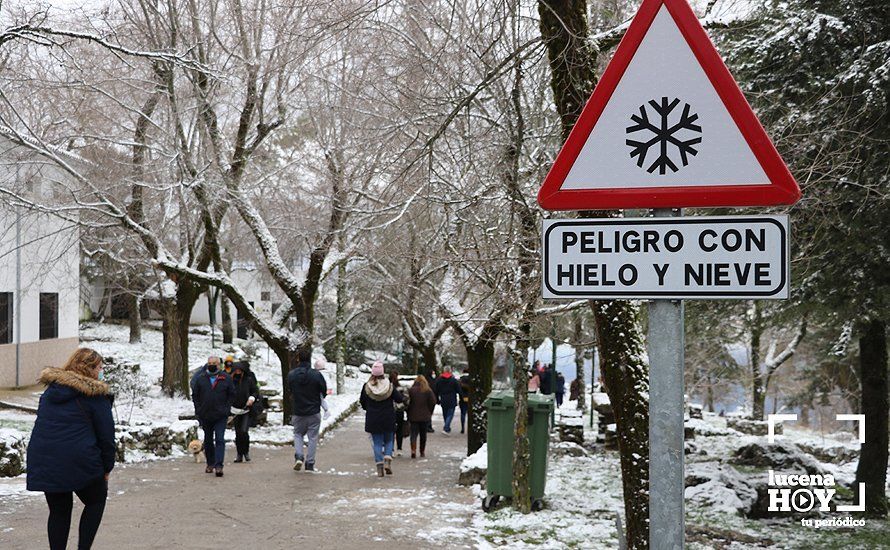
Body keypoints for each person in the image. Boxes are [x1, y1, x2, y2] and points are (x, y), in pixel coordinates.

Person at [27, 348, 115, 550]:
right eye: (100, 367)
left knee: (59, 511)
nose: (102, 371)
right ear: (90, 369)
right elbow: (106, 437)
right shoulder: (95, 396)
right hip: (79, 460)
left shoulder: (51, 392)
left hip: (45, 459)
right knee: (96, 500)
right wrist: (106, 468)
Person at [192, 355, 234, 477]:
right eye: (209, 362)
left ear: (219, 364)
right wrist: (199, 410)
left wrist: (226, 409)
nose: (211, 365)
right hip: (206, 415)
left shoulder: (225, 378)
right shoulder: (201, 378)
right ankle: (210, 463)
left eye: (214, 363)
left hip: (220, 415)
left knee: (220, 439)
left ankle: (219, 465)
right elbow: (195, 396)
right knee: (208, 440)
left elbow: (231, 394)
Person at [360, 362, 404, 476]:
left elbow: (362, 403)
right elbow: (399, 399)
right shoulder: (389, 386)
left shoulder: (367, 386)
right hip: (388, 417)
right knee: (389, 440)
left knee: (377, 442)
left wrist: (369, 408)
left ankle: (379, 466)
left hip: (373, 418)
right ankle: (388, 459)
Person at [287, 348, 327, 472]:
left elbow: (290, 389)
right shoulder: (316, 375)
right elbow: (323, 391)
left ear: (298, 358)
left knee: (298, 434)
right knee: (313, 438)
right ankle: (310, 463)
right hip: (313, 411)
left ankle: (299, 456)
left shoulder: (292, 375)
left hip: (298, 410)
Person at [230, 361, 260, 463]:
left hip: (246, 409)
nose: (238, 372)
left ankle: (245, 452)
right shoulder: (230, 380)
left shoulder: (248, 380)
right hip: (234, 409)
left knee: (244, 431)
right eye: (236, 370)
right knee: (238, 433)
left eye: (240, 370)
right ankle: (239, 454)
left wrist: (251, 398)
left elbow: (255, 391)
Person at [407, 375, 436, 459]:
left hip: (413, 416)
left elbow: (407, 402)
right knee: (423, 435)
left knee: (413, 434)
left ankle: (413, 450)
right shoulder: (428, 390)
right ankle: (422, 451)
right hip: (425, 416)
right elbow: (433, 402)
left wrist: (408, 411)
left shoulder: (411, 390)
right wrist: (429, 411)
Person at [433, 366, 461, 434]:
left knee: (445, 414)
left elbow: (436, 390)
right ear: (450, 371)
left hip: (443, 398)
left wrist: (437, 399)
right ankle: (446, 427)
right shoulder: (453, 380)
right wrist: (461, 396)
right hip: (452, 398)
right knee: (450, 414)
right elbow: (458, 389)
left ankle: (447, 427)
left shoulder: (439, 379)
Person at [390, 371, 410, 456]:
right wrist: (403, 407)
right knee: (399, 430)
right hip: (399, 412)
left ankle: (390, 449)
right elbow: (406, 400)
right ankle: (399, 448)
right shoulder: (401, 388)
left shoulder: (386, 388)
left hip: (389, 412)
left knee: (390, 431)